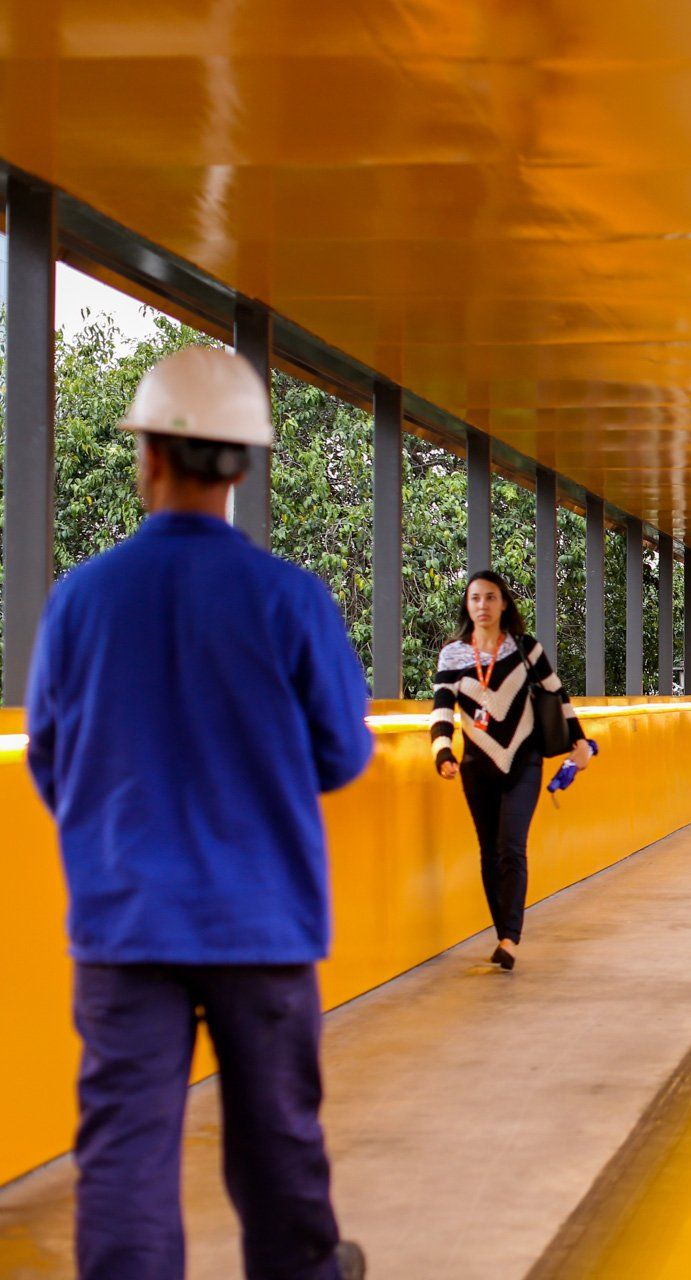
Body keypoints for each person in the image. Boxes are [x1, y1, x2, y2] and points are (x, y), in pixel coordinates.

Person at [25, 347, 374, 1280]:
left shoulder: (79, 600)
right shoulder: (290, 598)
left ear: (149, 455)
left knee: (126, 1152)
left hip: (125, 919)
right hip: (262, 919)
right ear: (242, 466)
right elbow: (344, 754)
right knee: (277, 1139)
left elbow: (51, 757)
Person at [431, 571, 591, 971]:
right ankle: (502, 932)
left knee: (511, 847)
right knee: (489, 851)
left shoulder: (525, 648)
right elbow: (441, 709)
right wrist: (442, 751)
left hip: (524, 760)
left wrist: (580, 740)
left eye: (490, 597)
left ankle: (510, 939)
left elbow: (557, 694)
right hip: (476, 766)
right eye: (475, 598)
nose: (482, 605)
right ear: (467, 605)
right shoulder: (452, 655)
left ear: (504, 603)